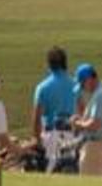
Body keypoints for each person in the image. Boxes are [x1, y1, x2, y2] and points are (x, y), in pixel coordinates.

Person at [30, 46, 77, 174]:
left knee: (50, 171)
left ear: (49, 64)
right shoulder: (75, 85)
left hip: (50, 135)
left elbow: (36, 118)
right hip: (69, 135)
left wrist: (37, 140)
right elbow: (82, 109)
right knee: (69, 170)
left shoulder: (42, 87)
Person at [71, 62, 102, 177]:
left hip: (95, 148)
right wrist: (83, 119)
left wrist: (77, 123)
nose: (83, 89)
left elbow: (95, 124)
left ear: (89, 79)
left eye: (82, 85)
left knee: (88, 184)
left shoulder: (100, 95)